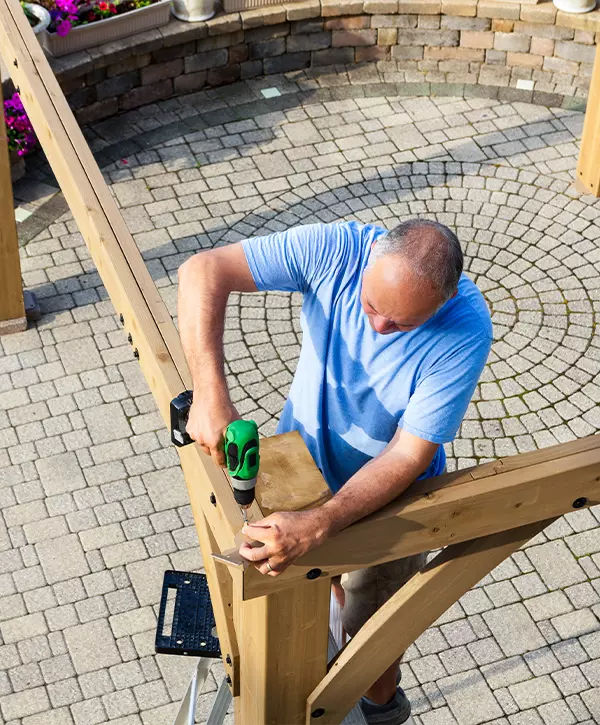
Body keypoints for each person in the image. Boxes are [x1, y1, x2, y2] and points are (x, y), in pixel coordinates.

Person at [178, 218, 493, 725]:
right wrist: (211, 394)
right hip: (301, 468)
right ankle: (334, 614)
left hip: (393, 500)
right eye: (371, 307)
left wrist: (323, 522)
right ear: (369, 262)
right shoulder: (338, 249)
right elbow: (203, 269)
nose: (379, 328)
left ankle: (382, 707)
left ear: (446, 299)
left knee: (374, 633)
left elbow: (407, 456)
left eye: (403, 324)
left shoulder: (466, 329)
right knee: (316, 586)